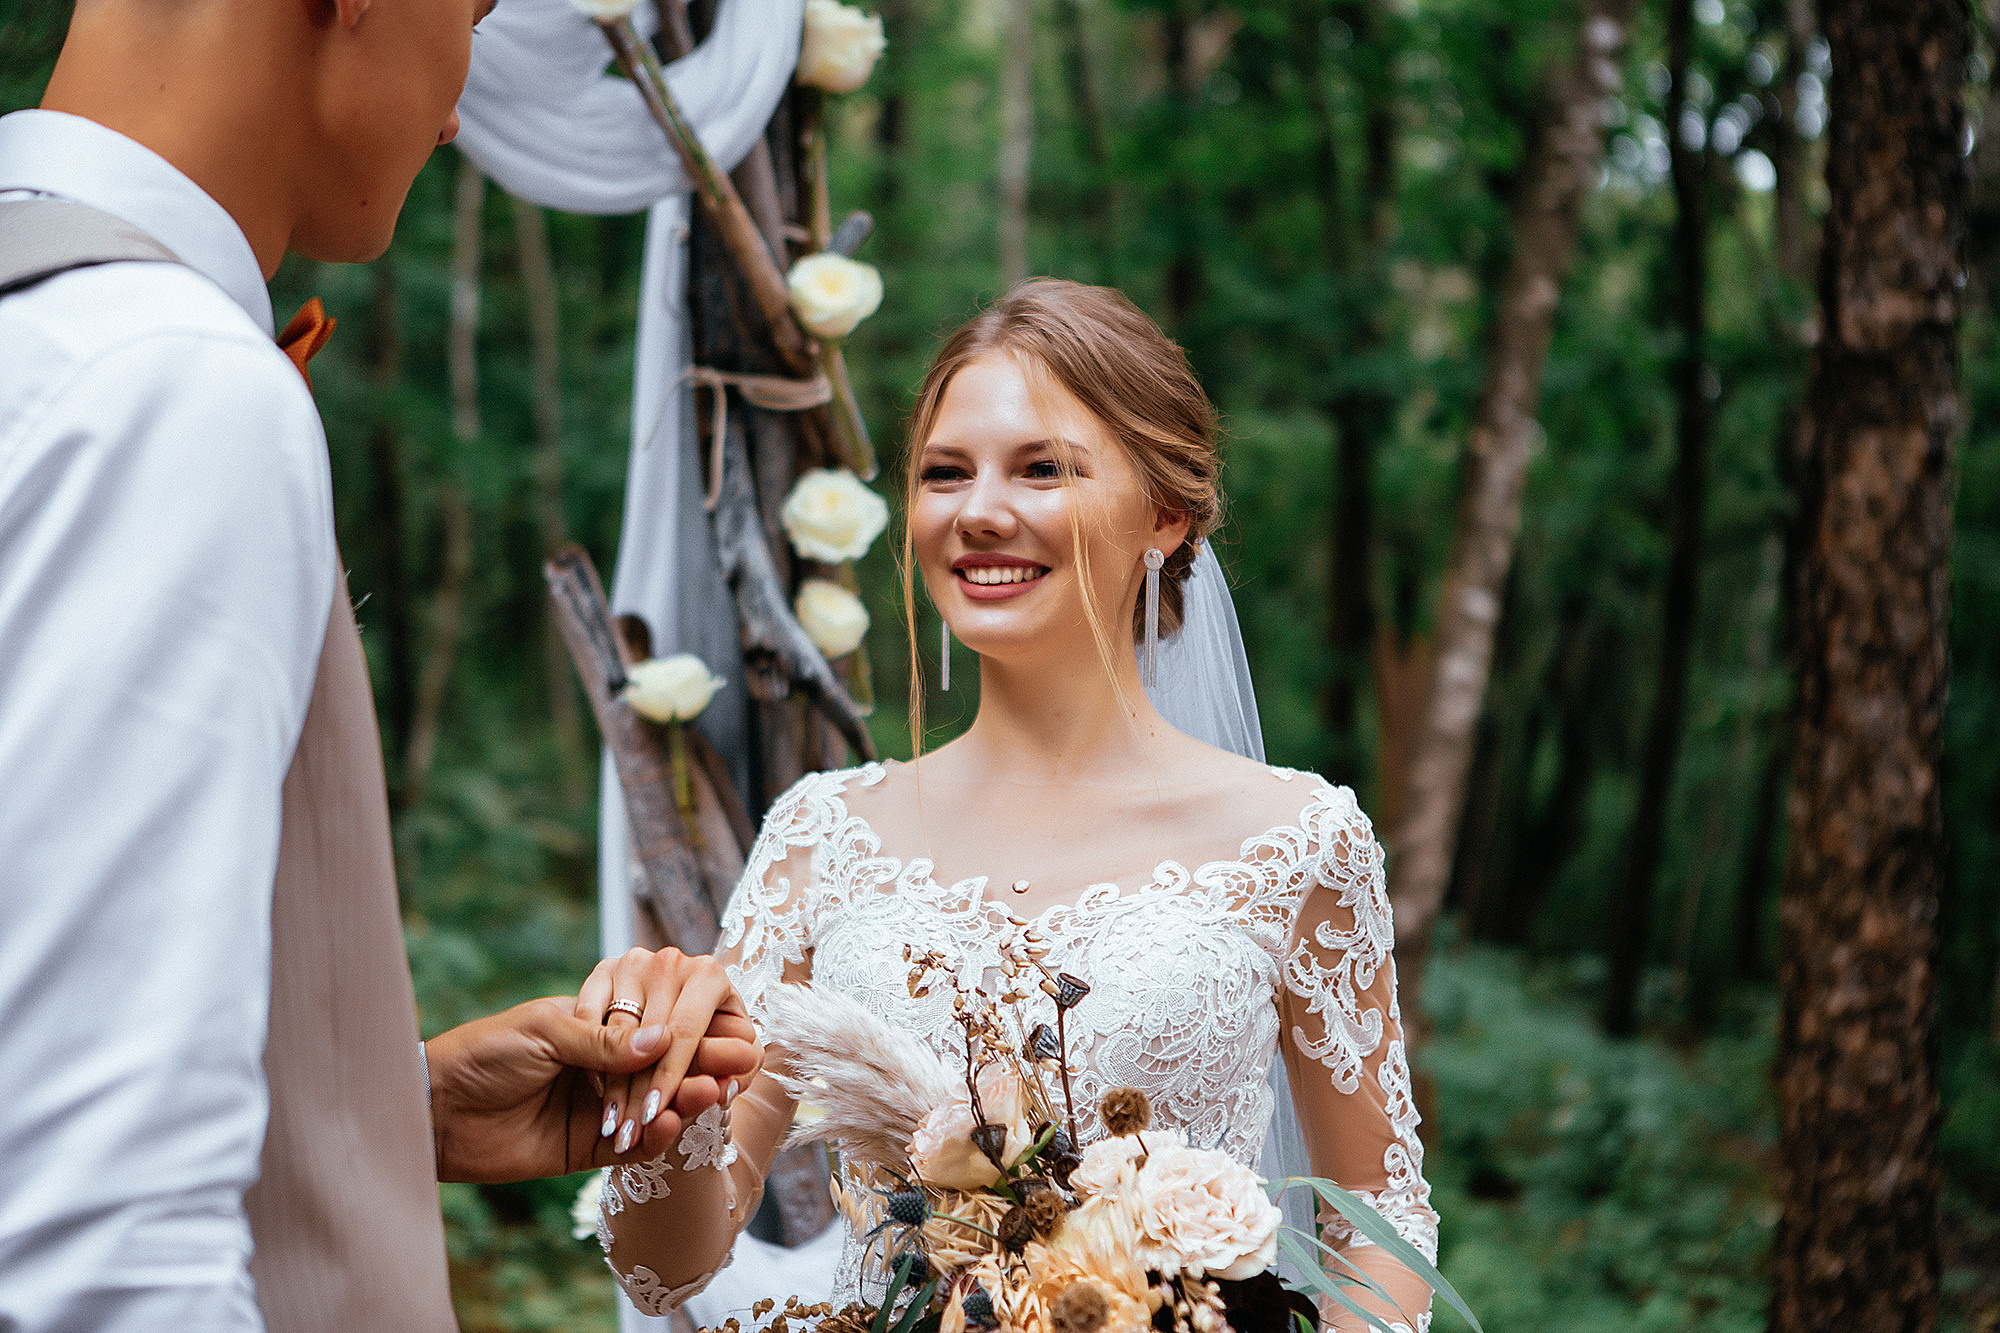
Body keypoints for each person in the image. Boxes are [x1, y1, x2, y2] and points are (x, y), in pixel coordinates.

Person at [0, 2, 754, 1329]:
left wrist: (379, 1106)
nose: (465, 100)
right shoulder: (168, 385)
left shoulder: (51, 331)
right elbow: (98, 1248)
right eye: (470, 9)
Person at [587, 281, 1439, 1333]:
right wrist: (660, 1107)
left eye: (1041, 468)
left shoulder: (1297, 842)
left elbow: (1377, 1214)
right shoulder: (819, 836)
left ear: (1165, 514)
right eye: (945, 473)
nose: (977, 509)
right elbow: (666, 1271)